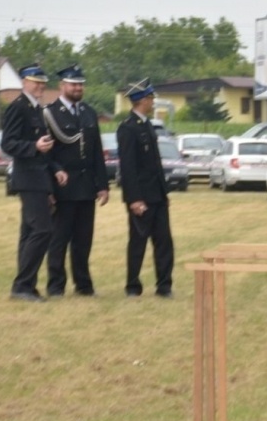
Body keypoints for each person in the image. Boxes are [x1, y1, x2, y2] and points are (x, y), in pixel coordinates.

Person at [43, 65, 110, 297]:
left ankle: (83, 285)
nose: (78, 88)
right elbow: (47, 154)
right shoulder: (50, 113)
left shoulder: (89, 112)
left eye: (80, 84)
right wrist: (52, 180)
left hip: (86, 186)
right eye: (73, 84)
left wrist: (103, 185)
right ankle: (56, 286)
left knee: (83, 240)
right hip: (62, 186)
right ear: (62, 86)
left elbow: (96, 152)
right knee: (59, 239)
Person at [0, 63, 57, 302]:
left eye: (43, 82)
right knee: (42, 230)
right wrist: (34, 146)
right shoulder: (19, 107)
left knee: (29, 233)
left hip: (39, 178)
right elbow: (7, 143)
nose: (41, 86)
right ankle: (22, 285)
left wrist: (52, 177)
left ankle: (26, 286)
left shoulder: (36, 109)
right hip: (27, 178)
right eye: (36, 82)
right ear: (24, 82)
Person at [116, 79, 174, 298]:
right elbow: (128, 167)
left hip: (156, 195)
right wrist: (134, 199)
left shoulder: (148, 125)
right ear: (142, 100)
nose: (153, 102)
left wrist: (164, 193)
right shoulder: (128, 128)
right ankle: (133, 286)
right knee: (138, 243)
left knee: (164, 242)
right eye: (150, 98)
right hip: (141, 197)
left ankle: (164, 286)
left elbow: (155, 163)